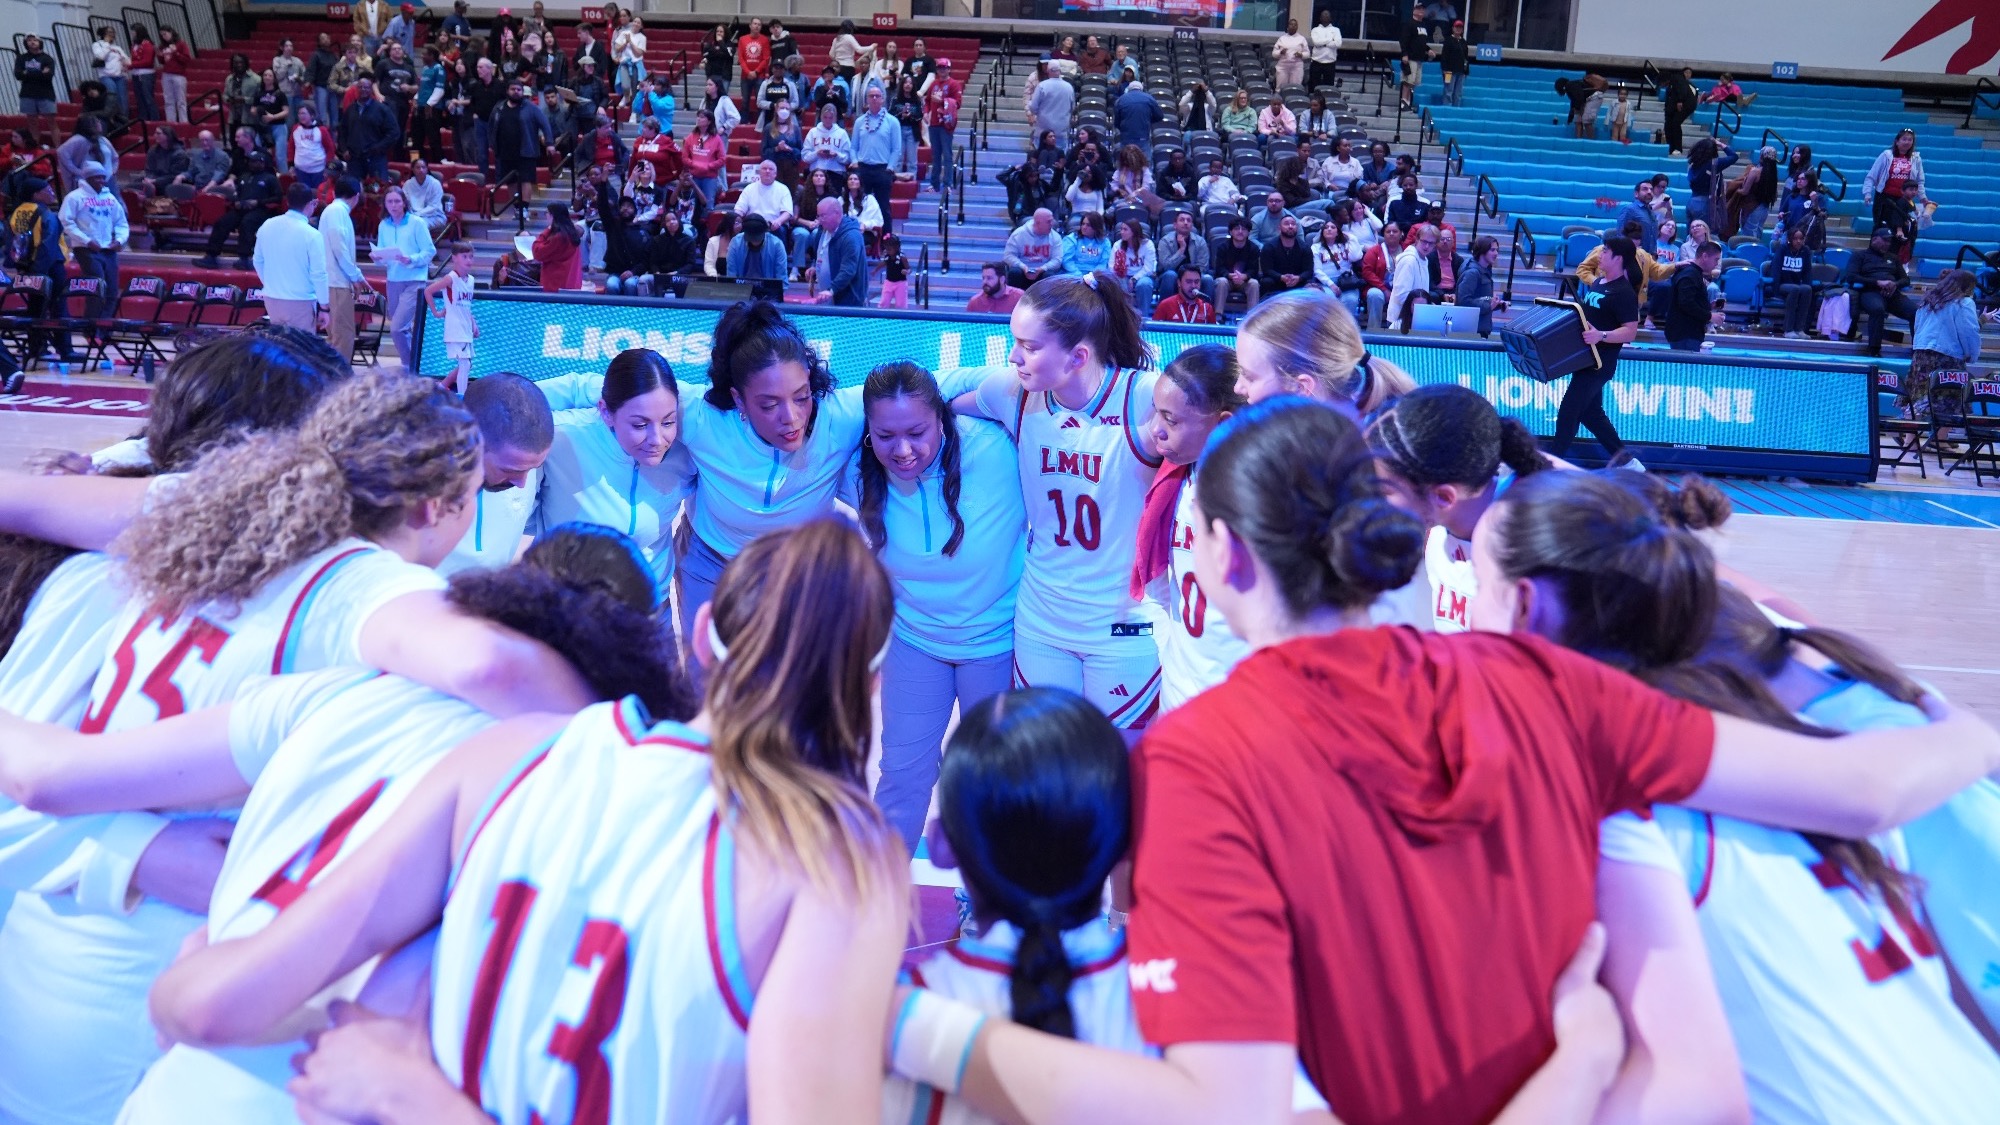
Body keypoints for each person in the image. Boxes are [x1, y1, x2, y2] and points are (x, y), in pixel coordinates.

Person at [891, 399, 2000, 1125]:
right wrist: (1950, 721)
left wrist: (911, 1028)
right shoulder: (1547, 687)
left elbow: (1217, 1109)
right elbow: (1856, 790)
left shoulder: (1197, 763)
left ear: (1220, 548)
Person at [149, 519, 910, 1125]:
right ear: (872, 678)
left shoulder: (514, 750)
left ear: (702, 631)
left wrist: (194, 957)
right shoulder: (839, 856)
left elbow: (207, 1005)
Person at [0, 372, 597, 1125]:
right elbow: (489, 666)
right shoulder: (362, 584)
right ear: (437, 504)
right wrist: (627, 730)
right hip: (152, 954)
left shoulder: (207, 509)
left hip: (42, 935)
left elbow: (17, 496)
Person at [951, 276, 1165, 728]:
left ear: (1078, 356)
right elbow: (945, 403)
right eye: (1015, 342)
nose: (1013, 356)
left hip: (1124, 623)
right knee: (1046, 769)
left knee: (1121, 776)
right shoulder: (1014, 393)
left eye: (1028, 346)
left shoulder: (1146, 398)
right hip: (1041, 620)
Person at [838, 362, 1025, 847]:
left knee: (993, 781)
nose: (902, 450)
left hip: (998, 641)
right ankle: (881, 897)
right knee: (901, 773)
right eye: (886, 436)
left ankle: (985, 903)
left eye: (917, 432)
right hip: (915, 642)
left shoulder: (1000, 446)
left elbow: (1019, 378)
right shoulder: (856, 472)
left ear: (941, 418)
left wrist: (949, 381)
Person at [1364, 384, 1549, 634]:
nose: (1369, 500)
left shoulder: (1533, 538)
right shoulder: (1438, 531)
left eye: (1384, 491)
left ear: (1443, 497)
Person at [1129, 345, 1248, 707]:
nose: (1155, 431)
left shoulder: (1262, 499)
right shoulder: (1176, 479)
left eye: (1171, 420)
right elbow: (1165, 587)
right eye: (1157, 414)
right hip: (1180, 683)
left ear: (1223, 423)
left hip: (1238, 696)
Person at [531, 349, 694, 591]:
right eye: (640, 424)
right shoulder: (562, 437)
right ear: (606, 412)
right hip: (565, 604)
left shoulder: (688, 448)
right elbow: (514, 405)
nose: (657, 439)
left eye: (668, 422)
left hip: (649, 604)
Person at [437, 372, 554, 576]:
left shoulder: (522, 456)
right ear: (469, 441)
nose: (522, 483)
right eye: (509, 470)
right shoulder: (408, 476)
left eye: (533, 469)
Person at [1552, 235, 1641, 457]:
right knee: (1592, 414)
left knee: (1568, 411)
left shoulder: (1624, 292)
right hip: (1584, 358)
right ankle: (1626, 461)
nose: (1599, 255)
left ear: (1618, 258)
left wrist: (1601, 335)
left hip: (1600, 364)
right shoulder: (1599, 282)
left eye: (1604, 252)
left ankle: (1549, 465)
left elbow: (1630, 331)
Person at [10, 178, 76, 367]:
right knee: (59, 307)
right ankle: (65, 349)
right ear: (36, 194)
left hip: (28, 266)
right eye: (47, 189)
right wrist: (41, 272)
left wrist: (26, 270)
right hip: (50, 267)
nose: (52, 192)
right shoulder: (47, 214)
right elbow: (48, 246)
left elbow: (13, 245)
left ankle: (37, 347)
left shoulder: (16, 213)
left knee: (35, 309)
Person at [251, 182, 329, 334]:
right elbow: (319, 274)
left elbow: (258, 261)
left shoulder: (267, 225)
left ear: (287, 202)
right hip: (301, 300)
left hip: (272, 298)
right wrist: (325, 307)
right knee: (300, 350)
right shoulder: (312, 235)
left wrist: (270, 283)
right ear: (312, 204)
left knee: (280, 348)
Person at [376, 184, 437, 371]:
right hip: (393, 280)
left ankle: (409, 365)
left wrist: (410, 259)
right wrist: (379, 257)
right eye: (389, 201)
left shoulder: (416, 223)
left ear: (404, 203)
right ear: (385, 204)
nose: (393, 205)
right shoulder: (383, 225)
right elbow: (383, 256)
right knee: (402, 327)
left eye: (397, 201)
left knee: (397, 328)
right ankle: (417, 365)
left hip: (414, 280)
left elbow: (429, 251)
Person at [58, 162, 125, 323]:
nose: (102, 180)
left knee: (112, 290)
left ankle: (103, 328)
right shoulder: (74, 197)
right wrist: (86, 241)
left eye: (103, 177)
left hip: (108, 249)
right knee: (97, 287)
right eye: (97, 177)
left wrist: (120, 240)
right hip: (86, 249)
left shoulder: (109, 198)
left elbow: (121, 222)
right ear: (88, 178)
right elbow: (66, 222)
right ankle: (90, 327)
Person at [1846, 226, 1918, 357]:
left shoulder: (1893, 258)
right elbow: (1851, 277)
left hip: (1892, 293)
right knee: (1877, 309)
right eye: (1884, 240)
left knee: (1917, 312)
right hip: (1869, 291)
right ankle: (1874, 350)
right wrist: (1878, 283)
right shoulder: (1860, 256)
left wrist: (1894, 284)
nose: (1887, 244)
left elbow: (1905, 280)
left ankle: (1918, 349)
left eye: (1889, 241)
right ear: (1874, 239)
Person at [1909, 268, 1982, 398]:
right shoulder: (1964, 302)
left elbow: (1917, 327)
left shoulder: (1929, 300)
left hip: (1920, 355)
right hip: (1947, 357)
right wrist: (1972, 354)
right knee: (1944, 401)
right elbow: (1968, 331)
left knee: (1919, 396)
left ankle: (1911, 418)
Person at [317, 176, 365, 360]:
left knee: (337, 335)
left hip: (335, 281)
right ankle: (340, 379)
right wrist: (354, 276)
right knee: (342, 334)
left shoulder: (334, 211)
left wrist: (357, 275)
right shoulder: (337, 212)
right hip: (337, 282)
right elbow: (339, 249)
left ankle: (334, 376)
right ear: (356, 196)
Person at [422, 242, 477, 394]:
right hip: (455, 328)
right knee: (465, 364)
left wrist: (474, 323)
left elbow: (464, 306)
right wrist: (436, 312)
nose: (468, 260)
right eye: (464, 256)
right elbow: (428, 291)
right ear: (454, 258)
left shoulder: (471, 280)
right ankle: (462, 397)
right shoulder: (450, 278)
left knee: (467, 364)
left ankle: (441, 387)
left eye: (471, 257)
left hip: (465, 328)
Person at [1863, 128, 1925, 259]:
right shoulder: (1886, 155)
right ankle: (1872, 257)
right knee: (1881, 228)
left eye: (1910, 140)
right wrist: (1867, 192)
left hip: (1904, 200)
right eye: (1904, 139)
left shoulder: (1916, 158)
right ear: (1897, 141)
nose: (1907, 142)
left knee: (1901, 229)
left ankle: (1893, 260)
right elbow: (1872, 175)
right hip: (1885, 198)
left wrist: (1923, 198)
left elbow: (1919, 180)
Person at [1662, 240, 1723, 352]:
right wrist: (1710, 316)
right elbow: (1686, 303)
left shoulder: (1692, 272)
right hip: (1684, 333)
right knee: (1683, 368)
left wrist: (1708, 306)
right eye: (1716, 259)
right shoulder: (1690, 274)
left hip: (1686, 332)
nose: (1716, 263)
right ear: (1704, 256)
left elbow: (1688, 301)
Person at [809, 195, 868, 307]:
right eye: (818, 216)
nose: (819, 220)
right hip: (828, 298)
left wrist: (831, 290)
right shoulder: (822, 230)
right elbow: (821, 253)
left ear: (836, 213)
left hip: (849, 302)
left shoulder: (851, 236)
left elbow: (848, 269)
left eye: (823, 216)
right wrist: (815, 267)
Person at [1386, 220, 1437, 332]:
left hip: (1415, 318)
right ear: (1417, 239)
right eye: (1424, 241)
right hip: (1400, 321)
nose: (1427, 246)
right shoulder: (1409, 260)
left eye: (1431, 243)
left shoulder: (1424, 259)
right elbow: (1401, 295)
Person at [926, 59, 964, 194]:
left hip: (946, 123)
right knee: (935, 155)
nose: (942, 70)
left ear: (949, 69)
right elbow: (927, 101)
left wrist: (942, 101)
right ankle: (934, 184)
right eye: (939, 67)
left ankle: (947, 183)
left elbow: (958, 103)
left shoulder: (954, 84)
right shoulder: (934, 84)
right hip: (934, 123)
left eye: (944, 67)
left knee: (947, 154)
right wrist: (926, 112)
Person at [13, 36, 59, 147]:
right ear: (26, 43)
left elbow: (48, 76)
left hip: (45, 93)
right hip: (27, 93)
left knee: (51, 122)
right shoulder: (21, 58)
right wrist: (40, 73)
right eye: (29, 40)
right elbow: (18, 75)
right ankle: (35, 148)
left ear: (40, 42)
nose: (32, 42)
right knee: (32, 123)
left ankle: (58, 148)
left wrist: (27, 73)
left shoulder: (47, 58)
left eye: (35, 40)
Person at [1004, 209, 1064, 290]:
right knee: (1014, 273)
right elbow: (1008, 256)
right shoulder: (1018, 234)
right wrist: (1023, 267)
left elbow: (1057, 260)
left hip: (1043, 272)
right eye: (1049, 221)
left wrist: (1042, 268)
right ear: (1038, 222)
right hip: (1022, 270)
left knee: (1050, 275)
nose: (1052, 224)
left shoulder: (1055, 237)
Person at [530, 201, 582, 292]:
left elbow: (537, 252)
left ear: (552, 215)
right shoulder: (572, 233)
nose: (546, 215)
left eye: (547, 213)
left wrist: (547, 230)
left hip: (556, 287)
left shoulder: (559, 237)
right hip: (571, 283)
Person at [1260, 213, 1313, 300]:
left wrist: (1299, 278)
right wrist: (1281, 277)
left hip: (1297, 280)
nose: (1290, 226)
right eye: (1286, 224)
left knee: (1311, 284)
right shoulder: (1269, 246)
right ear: (1279, 228)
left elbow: (1308, 270)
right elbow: (1267, 269)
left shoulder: (1305, 247)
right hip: (1277, 280)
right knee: (1266, 281)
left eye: (1293, 224)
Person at [1026, 66, 1074, 156]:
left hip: (1043, 130)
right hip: (1061, 129)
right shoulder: (1069, 87)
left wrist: (1036, 113)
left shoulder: (1042, 86)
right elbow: (1072, 107)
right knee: (1059, 157)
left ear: (1048, 72)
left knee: (1041, 156)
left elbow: (1033, 107)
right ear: (1060, 71)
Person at [1153, 265, 1217, 324]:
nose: (1193, 286)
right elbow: (1153, 333)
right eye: (1189, 282)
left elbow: (1215, 335)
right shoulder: (1165, 305)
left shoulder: (1207, 307)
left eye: (1197, 282)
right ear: (1179, 283)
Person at [1114, 80, 1162, 157]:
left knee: (1126, 162)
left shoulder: (1120, 100)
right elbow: (1159, 116)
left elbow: (1116, 122)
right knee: (1144, 164)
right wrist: (1148, 120)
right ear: (1141, 89)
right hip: (1143, 137)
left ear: (1129, 89)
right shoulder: (1149, 98)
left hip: (1126, 138)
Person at [1398, 11, 1431, 110]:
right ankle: (1403, 102)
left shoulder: (1424, 26)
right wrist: (1404, 54)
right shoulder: (1409, 24)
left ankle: (1408, 102)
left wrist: (1428, 49)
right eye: (1419, 9)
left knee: (1414, 83)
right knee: (1407, 81)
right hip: (1410, 58)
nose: (1421, 11)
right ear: (1414, 11)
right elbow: (1403, 40)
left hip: (1419, 59)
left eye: (1423, 10)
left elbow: (1421, 42)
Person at [1307, 10, 1343, 89]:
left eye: (1327, 15)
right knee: (1313, 86)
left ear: (1330, 18)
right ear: (1320, 18)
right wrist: (1330, 39)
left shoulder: (1336, 30)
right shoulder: (1315, 30)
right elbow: (1316, 42)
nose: (1326, 17)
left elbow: (1338, 44)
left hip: (1330, 62)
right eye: (1324, 15)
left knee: (1328, 87)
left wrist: (1323, 43)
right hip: (1316, 62)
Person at [1273, 19, 1309, 88]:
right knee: (1281, 87)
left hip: (1296, 67)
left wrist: (1301, 55)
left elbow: (1307, 53)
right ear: (1288, 26)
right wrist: (1280, 52)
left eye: (1295, 25)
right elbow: (1274, 54)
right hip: (1283, 66)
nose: (1293, 26)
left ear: (1297, 27)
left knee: (1295, 87)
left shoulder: (1301, 39)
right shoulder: (1282, 38)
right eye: (1291, 24)